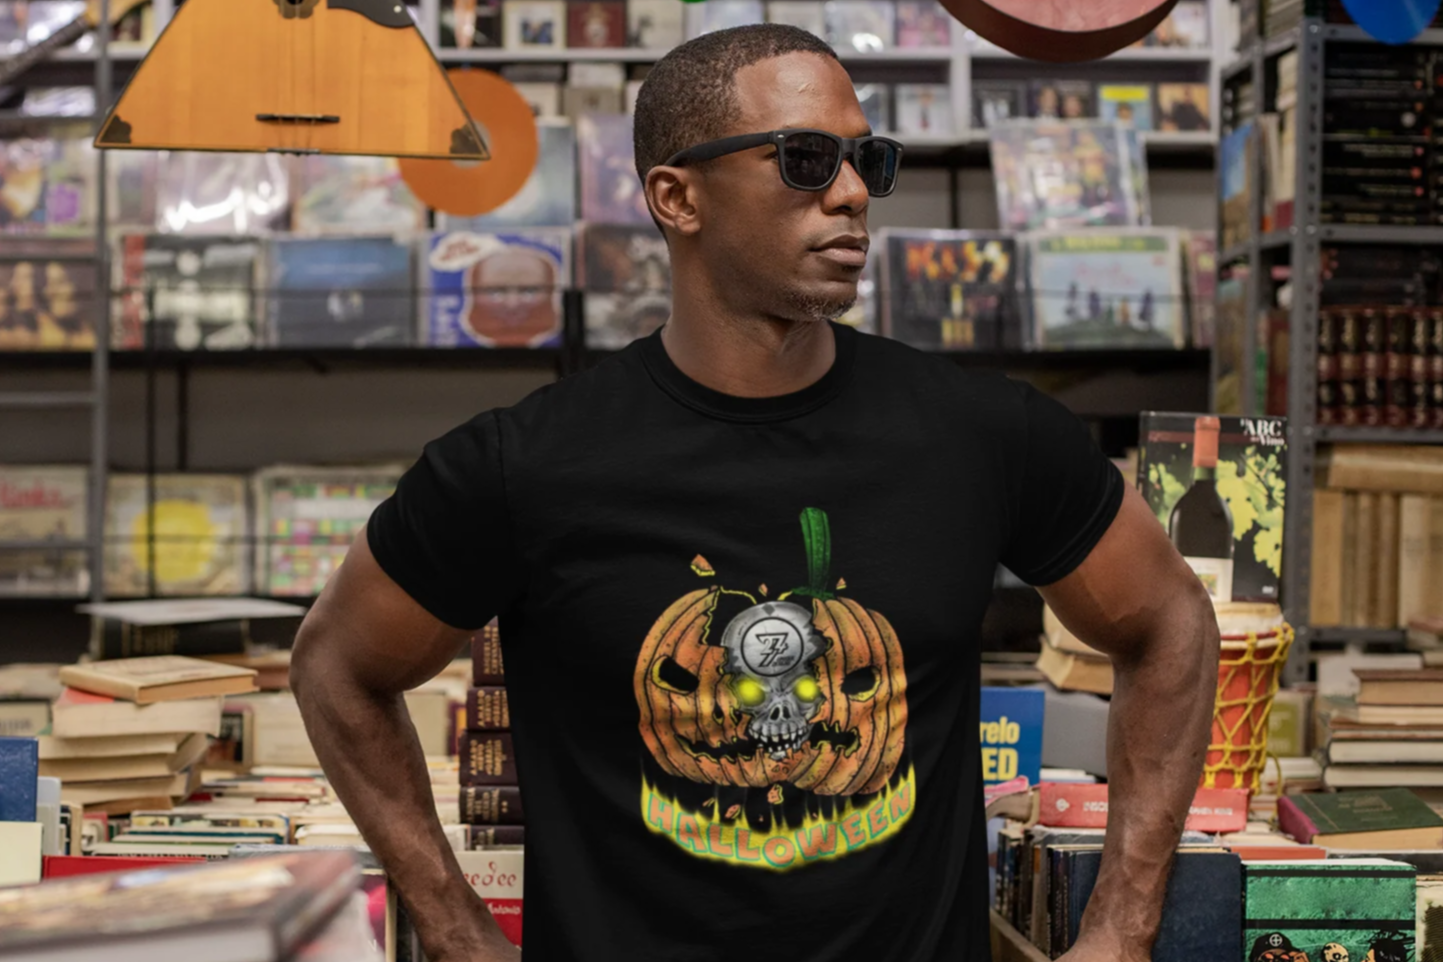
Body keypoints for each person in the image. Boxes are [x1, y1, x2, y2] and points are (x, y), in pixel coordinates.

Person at [290, 23, 1218, 962]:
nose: (850, 193)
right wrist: (454, 931)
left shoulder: (981, 434)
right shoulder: (523, 464)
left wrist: (1120, 927)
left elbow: (1170, 620)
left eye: (866, 161)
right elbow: (335, 667)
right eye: (804, 159)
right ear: (676, 197)